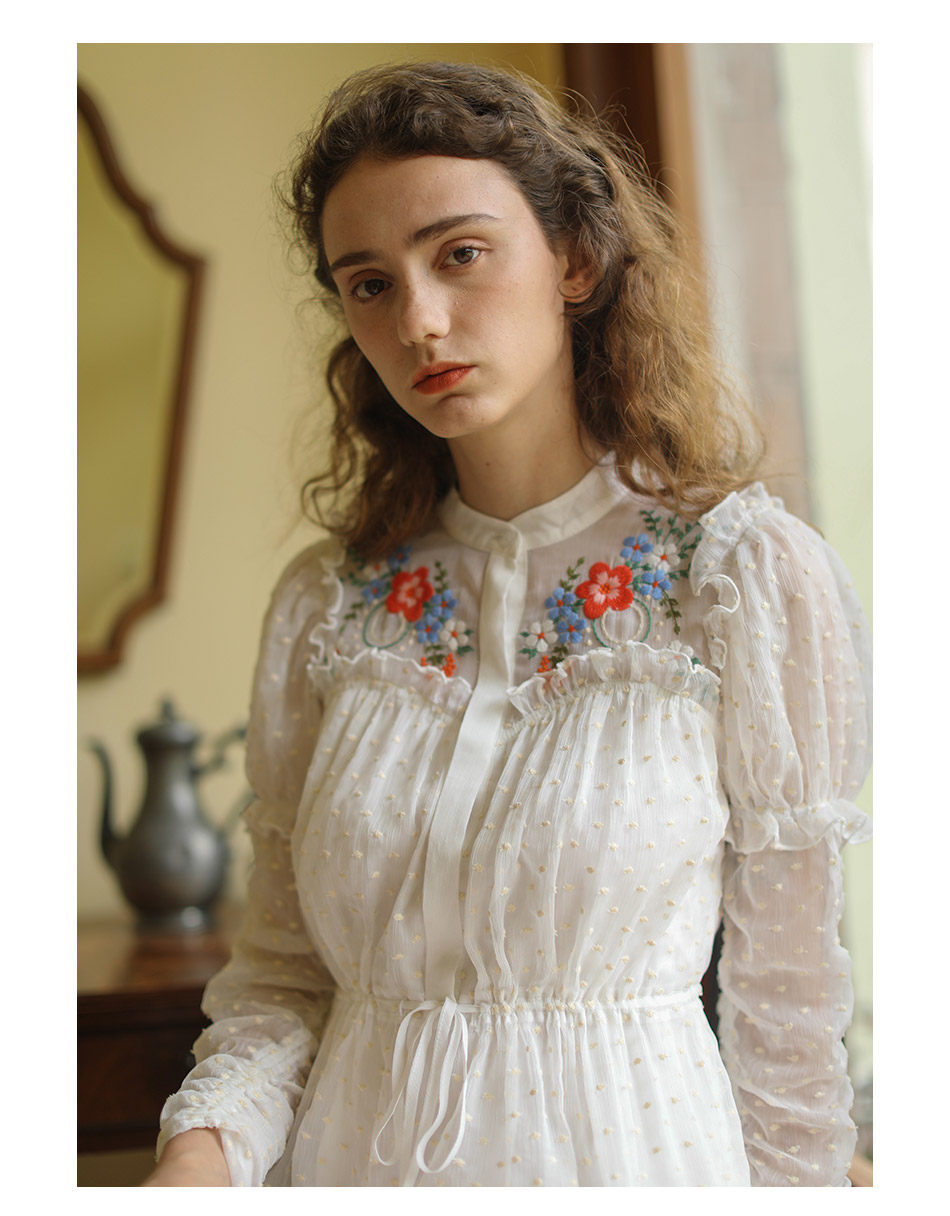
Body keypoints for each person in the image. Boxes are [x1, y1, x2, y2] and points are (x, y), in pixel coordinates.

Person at [144, 61, 871, 1188]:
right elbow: (283, 984)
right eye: (369, 283)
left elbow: (788, 1025)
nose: (419, 320)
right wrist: (197, 1158)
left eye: (460, 254)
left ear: (573, 259)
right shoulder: (328, 606)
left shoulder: (739, 579)